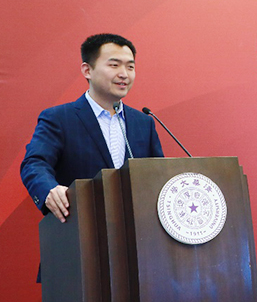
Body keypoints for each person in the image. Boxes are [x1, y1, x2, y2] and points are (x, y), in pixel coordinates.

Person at [21, 33, 164, 223]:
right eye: (114, 65)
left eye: (130, 67)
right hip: (82, 226)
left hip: (139, 228)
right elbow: (34, 163)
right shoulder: (59, 118)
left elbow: (158, 173)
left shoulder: (144, 122)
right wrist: (49, 190)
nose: (124, 74)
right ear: (87, 70)